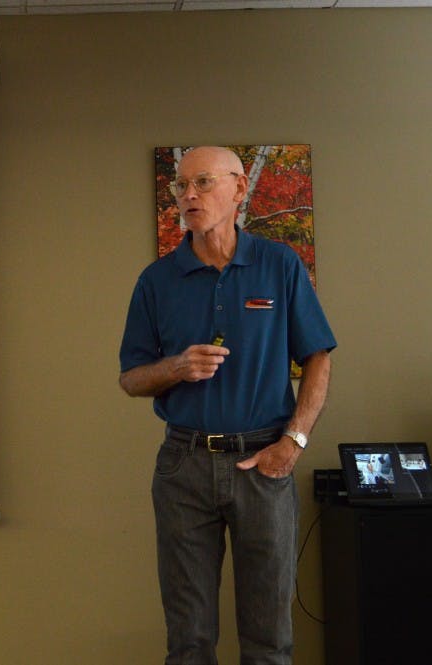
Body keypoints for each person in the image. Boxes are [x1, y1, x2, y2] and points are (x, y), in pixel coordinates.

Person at [118, 146, 335, 664]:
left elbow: (318, 359)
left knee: (269, 640)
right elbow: (130, 378)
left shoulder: (279, 265)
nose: (189, 195)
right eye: (181, 187)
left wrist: (294, 441)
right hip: (183, 467)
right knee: (189, 640)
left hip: (264, 464)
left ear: (239, 190)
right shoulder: (156, 281)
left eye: (204, 183)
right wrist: (177, 367)